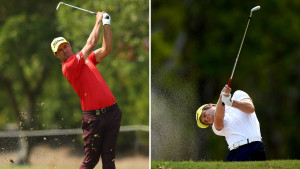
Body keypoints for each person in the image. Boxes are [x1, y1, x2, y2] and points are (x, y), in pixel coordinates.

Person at [51, 11, 122, 169]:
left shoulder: (86, 60)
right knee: (91, 160)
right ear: (57, 56)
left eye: (65, 46)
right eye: (60, 50)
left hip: (112, 113)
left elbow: (106, 49)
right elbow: (91, 44)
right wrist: (97, 21)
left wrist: (106, 24)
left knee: (109, 159)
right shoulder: (69, 67)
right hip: (93, 119)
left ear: (69, 44)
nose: (64, 50)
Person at [195, 84, 266, 161]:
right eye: (206, 121)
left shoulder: (238, 94)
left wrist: (231, 102)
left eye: (204, 114)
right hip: (235, 153)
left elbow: (250, 108)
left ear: (209, 105)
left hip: (255, 147)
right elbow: (219, 117)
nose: (207, 118)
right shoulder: (215, 127)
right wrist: (222, 97)